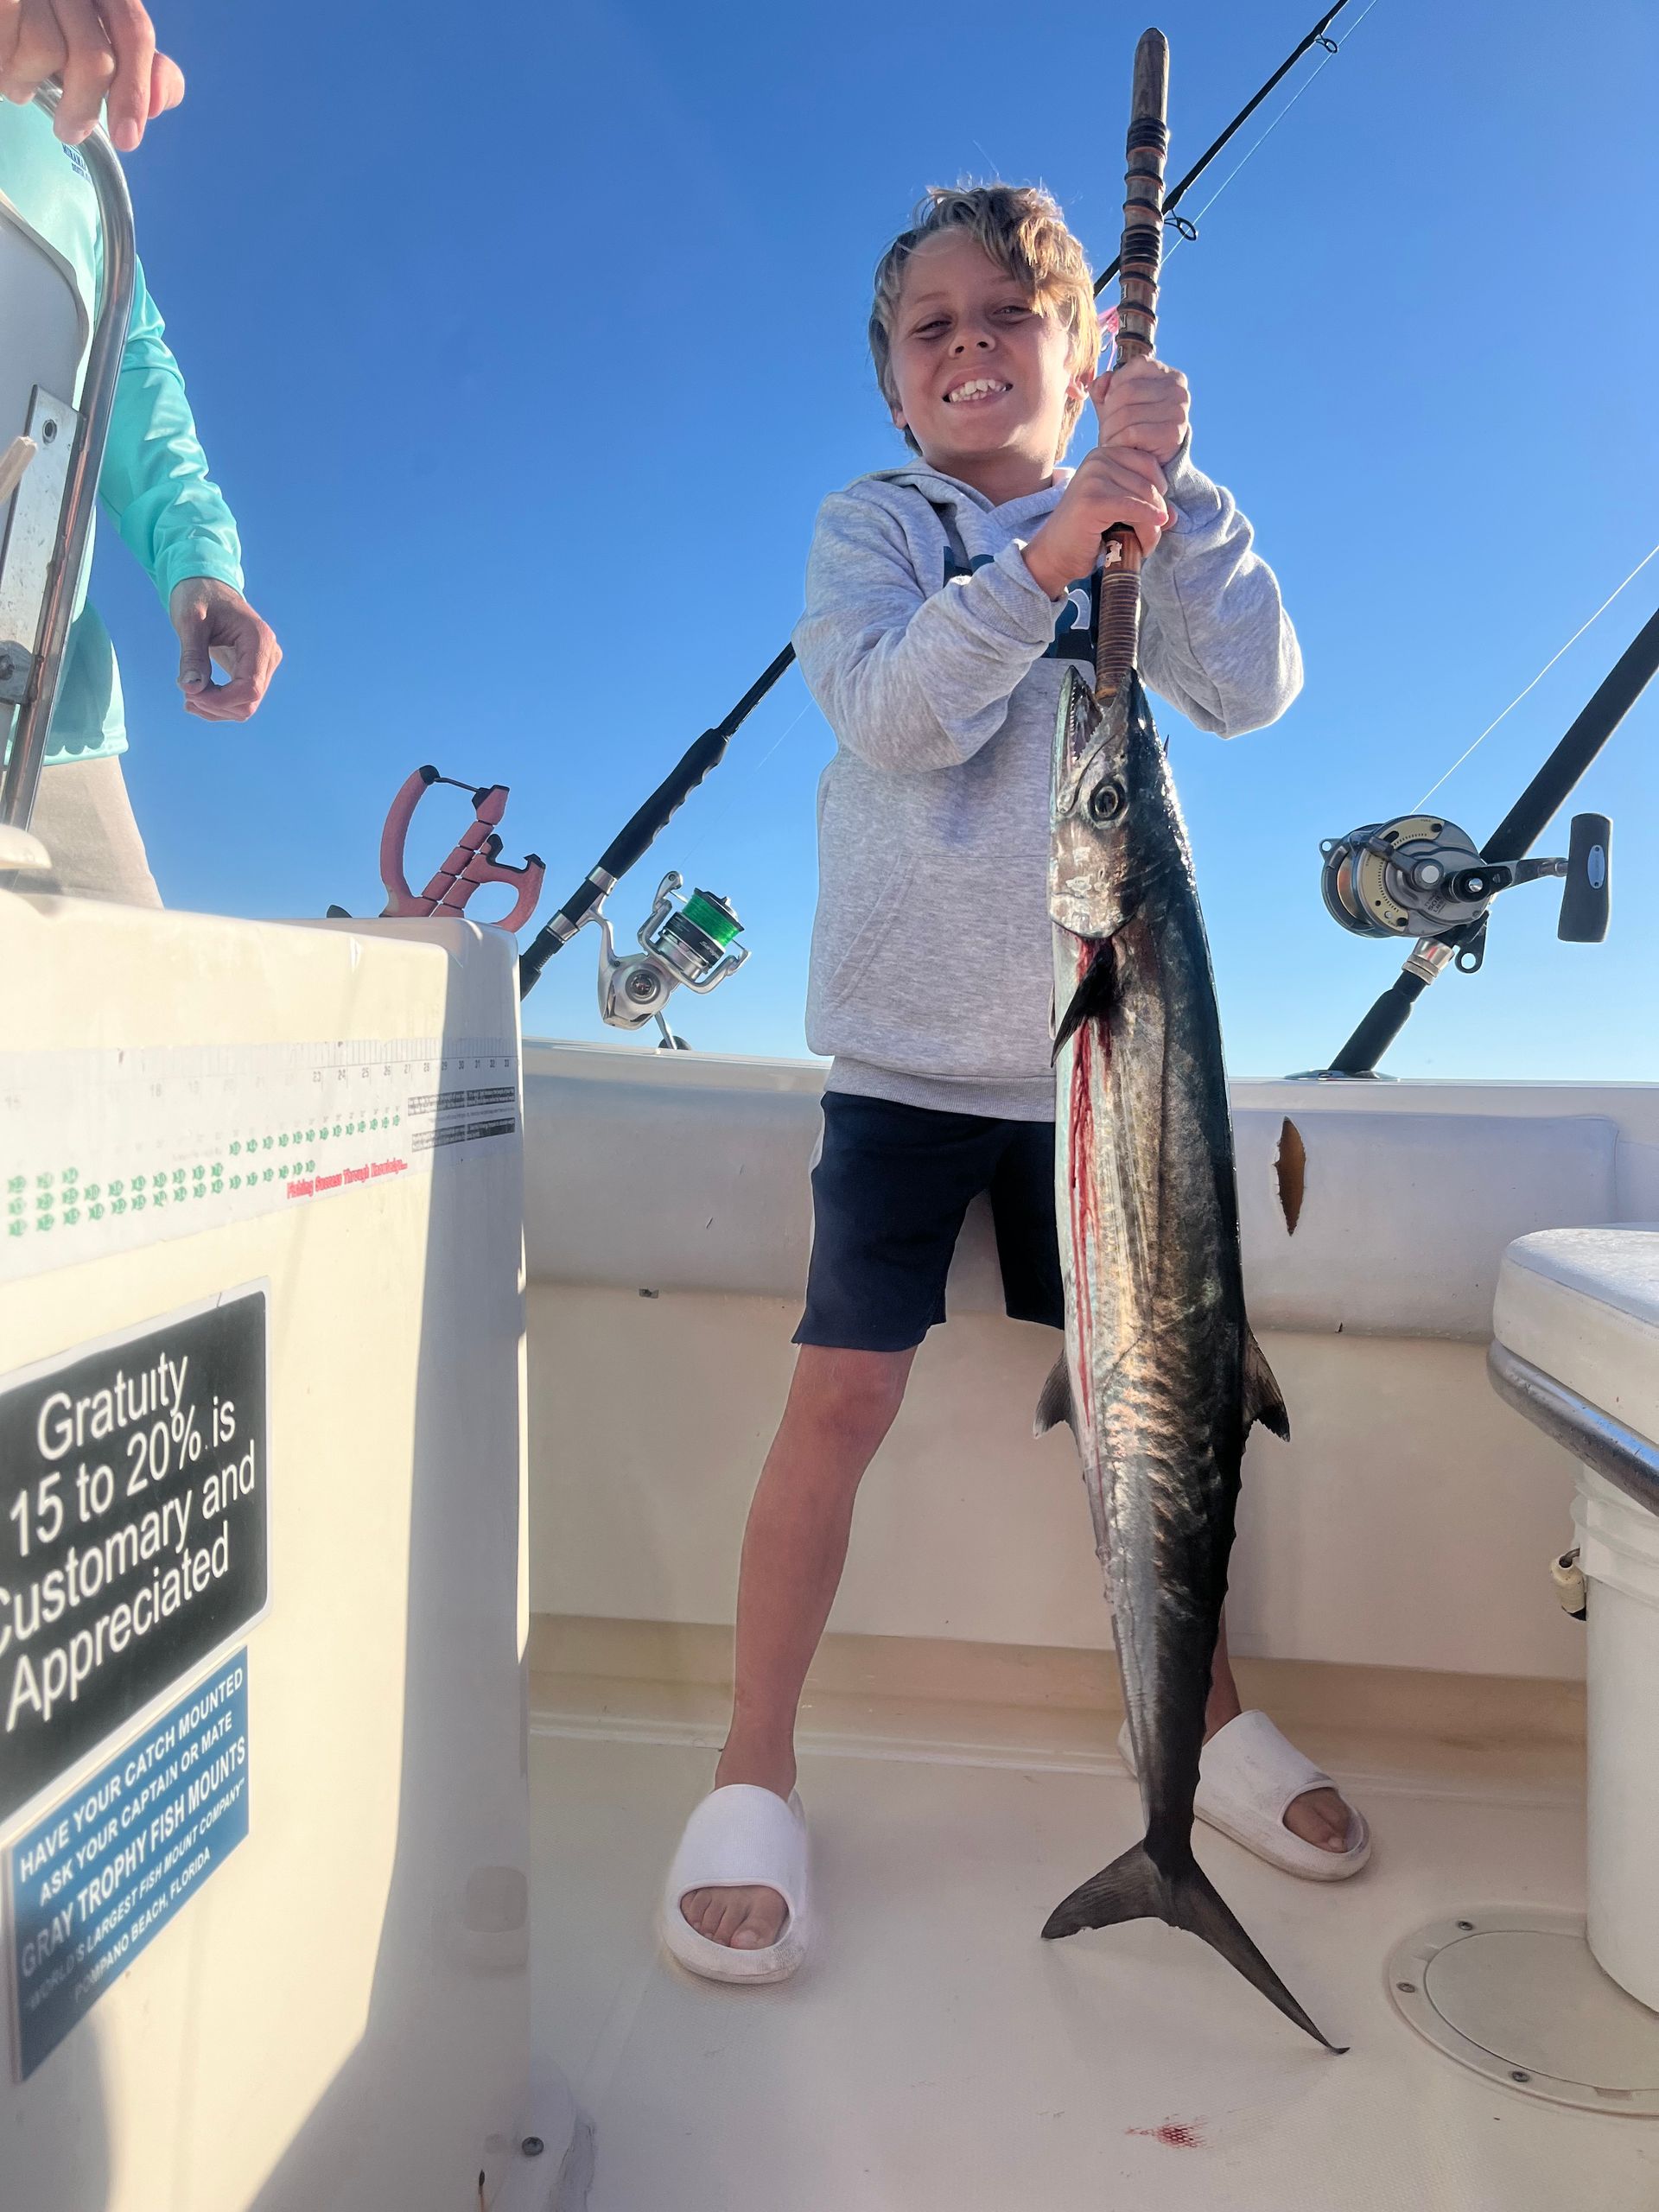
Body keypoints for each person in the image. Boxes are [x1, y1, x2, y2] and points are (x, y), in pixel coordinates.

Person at [660, 184, 1370, 1986]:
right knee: (834, 1405)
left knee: (1176, 1399)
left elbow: (1257, 685)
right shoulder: (873, 527)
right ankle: (754, 1761)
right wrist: (1053, 552)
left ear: (1083, 353)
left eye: (1008, 315)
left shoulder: (1147, 507)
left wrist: (1172, 499)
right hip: (908, 1068)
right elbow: (895, 711)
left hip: (1115, 1068)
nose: (970, 341)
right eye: (931, 326)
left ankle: (1199, 1731)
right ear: (899, 390)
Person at [0, 58, 278, 903]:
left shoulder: (81, 171)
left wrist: (197, 560)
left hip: (37, 701)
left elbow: (131, 372)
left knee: (135, 1008)